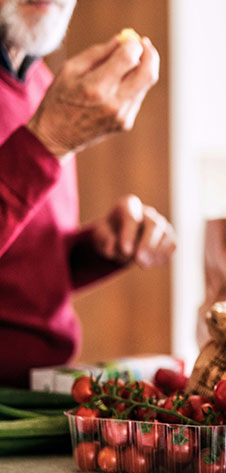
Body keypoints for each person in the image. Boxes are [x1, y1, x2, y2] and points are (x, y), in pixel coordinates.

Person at [0, 0, 176, 387]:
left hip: (38, 391)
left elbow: (15, 269)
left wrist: (96, 248)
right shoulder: (55, 113)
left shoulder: (43, 86)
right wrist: (47, 141)